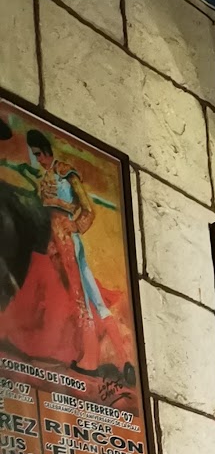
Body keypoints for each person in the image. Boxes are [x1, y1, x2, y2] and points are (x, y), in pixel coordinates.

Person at [1, 126, 132, 374]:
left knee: (81, 298)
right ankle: (123, 360)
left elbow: (87, 208)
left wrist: (73, 223)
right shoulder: (48, 176)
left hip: (67, 240)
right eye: (35, 155)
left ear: (45, 151)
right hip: (59, 239)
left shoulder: (64, 171)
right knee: (93, 296)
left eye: (39, 154)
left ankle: (90, 360)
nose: (38, 159)